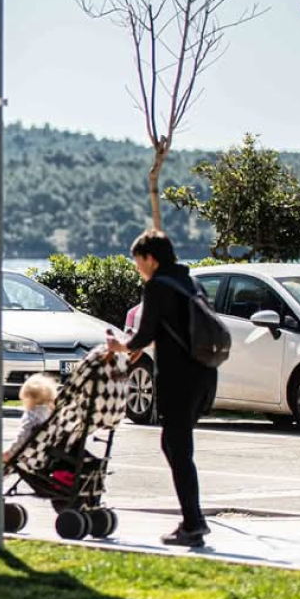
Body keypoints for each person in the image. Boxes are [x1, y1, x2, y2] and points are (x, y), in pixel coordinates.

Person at [105, 229, 217, 547]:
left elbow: (142, 334)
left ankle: (193, 524)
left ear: (151, 259)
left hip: (180, 380)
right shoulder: (189, 282)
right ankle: (193, 519)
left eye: (138, 261)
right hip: (204, 376)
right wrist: (142, 345)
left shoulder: (157, 286)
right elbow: (175, 327)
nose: (137, 268)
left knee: (178, 450)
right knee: (176, 447)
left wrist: (121, 346)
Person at [3, 373, 57, 463]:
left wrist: (10, 452)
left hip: (30, 455)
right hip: (45, 454)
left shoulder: (31, 415)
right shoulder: (49, 413)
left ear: (26, 398)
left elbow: (23, 436)